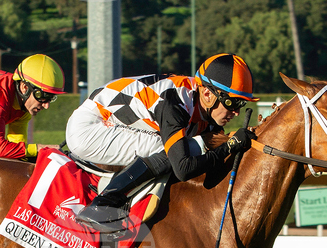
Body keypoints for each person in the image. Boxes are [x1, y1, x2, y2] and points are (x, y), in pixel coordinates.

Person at [69, 53, 258, 233]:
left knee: (191, 145)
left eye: (241, 104)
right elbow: (183, 168)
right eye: (232, 103)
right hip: (90, 128)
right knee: (171, 150)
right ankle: (103, 204)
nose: (236, 113)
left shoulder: (200, 102)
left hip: (109, 122)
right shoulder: (175, 103)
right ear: (207, 94)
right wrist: (230, 145)